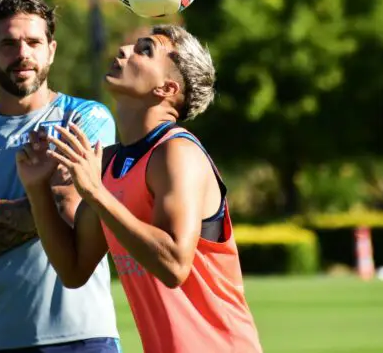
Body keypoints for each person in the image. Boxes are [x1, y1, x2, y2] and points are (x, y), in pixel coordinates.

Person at [16, 24, 263, 353]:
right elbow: (73, 270)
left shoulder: (177, 152)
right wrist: (36, 190)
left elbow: (174, 264)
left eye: (144, 50)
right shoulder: (112, 163)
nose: (124, 50)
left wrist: (96, 194)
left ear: (167, 88)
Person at [0, 0, 121, 353]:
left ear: (51, 50)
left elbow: (69, 208)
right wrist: (38, 208)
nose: (23, 54)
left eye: (34, 42)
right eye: (9, 44)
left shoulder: (84, 119)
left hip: (82, 335)